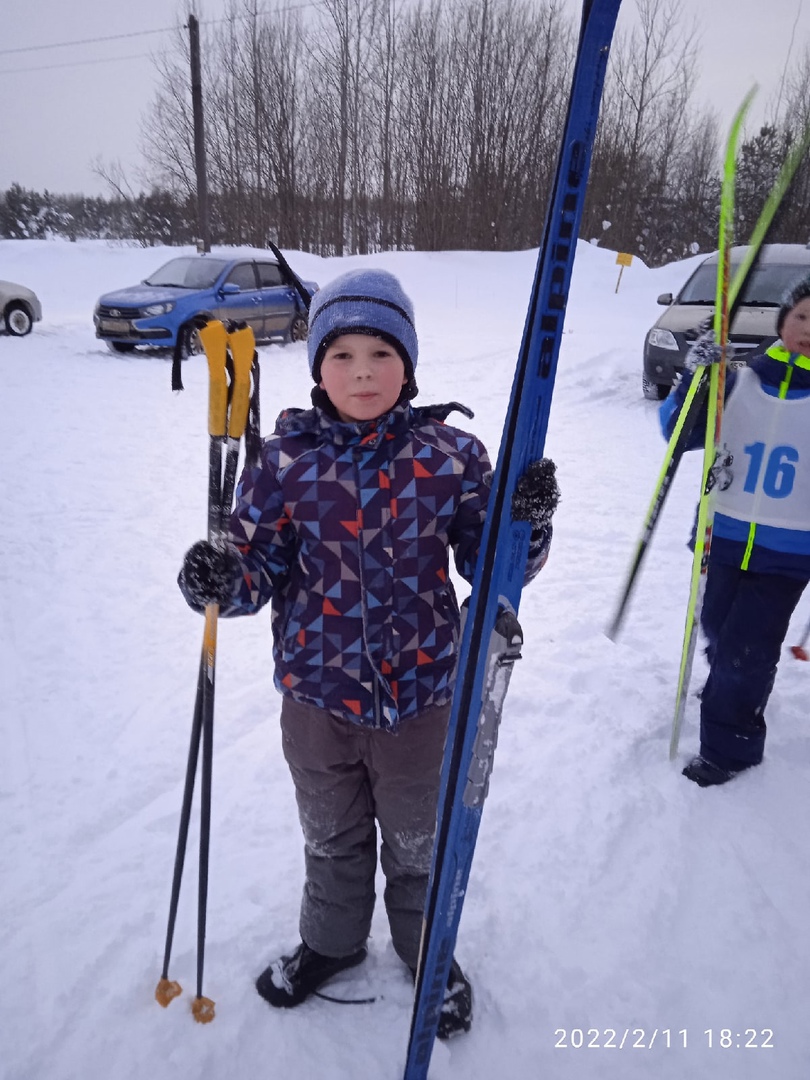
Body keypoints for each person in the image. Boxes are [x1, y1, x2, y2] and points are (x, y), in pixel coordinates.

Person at [178, 269, 560, 1034]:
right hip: (317, 702)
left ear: (408, 367)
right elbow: (256, 570)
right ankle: (331, 943)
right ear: (317, 366)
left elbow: (489, 570)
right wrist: (219, 576)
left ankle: (427, 950)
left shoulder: (451, 456)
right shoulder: (282, 465)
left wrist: (525, 525)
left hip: (422, 699)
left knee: (419, 842)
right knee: (332, 835)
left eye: (380, 353)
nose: (361, 371)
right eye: (342, 353)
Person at [660, 275, 810, 787]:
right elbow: (677, 432)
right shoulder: (742, 378)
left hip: (788, 553)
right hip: (722, 537)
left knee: (748, 648)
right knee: (719, 630)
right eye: (803, 316)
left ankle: (730, 748)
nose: (809, 329)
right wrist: (695, 379)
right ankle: (727, 684)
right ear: (783, 321)